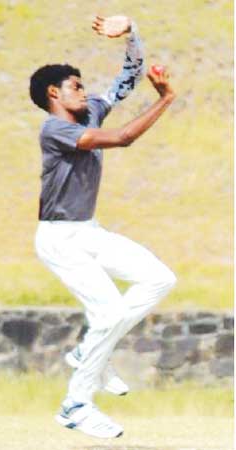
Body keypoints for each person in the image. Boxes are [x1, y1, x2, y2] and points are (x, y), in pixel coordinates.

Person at [28, 15, 177, 439]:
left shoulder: (90, 109)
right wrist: (166, 99)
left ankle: (88, 349)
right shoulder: (54, 129)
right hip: (59, 239)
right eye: (76, 85)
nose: (85, 90)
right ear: (54, 93)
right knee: (109, 313)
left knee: (158, 278)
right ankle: (76, 404)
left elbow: (127, 79)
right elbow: (124, 137)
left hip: (88, 231)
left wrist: (131, 31)